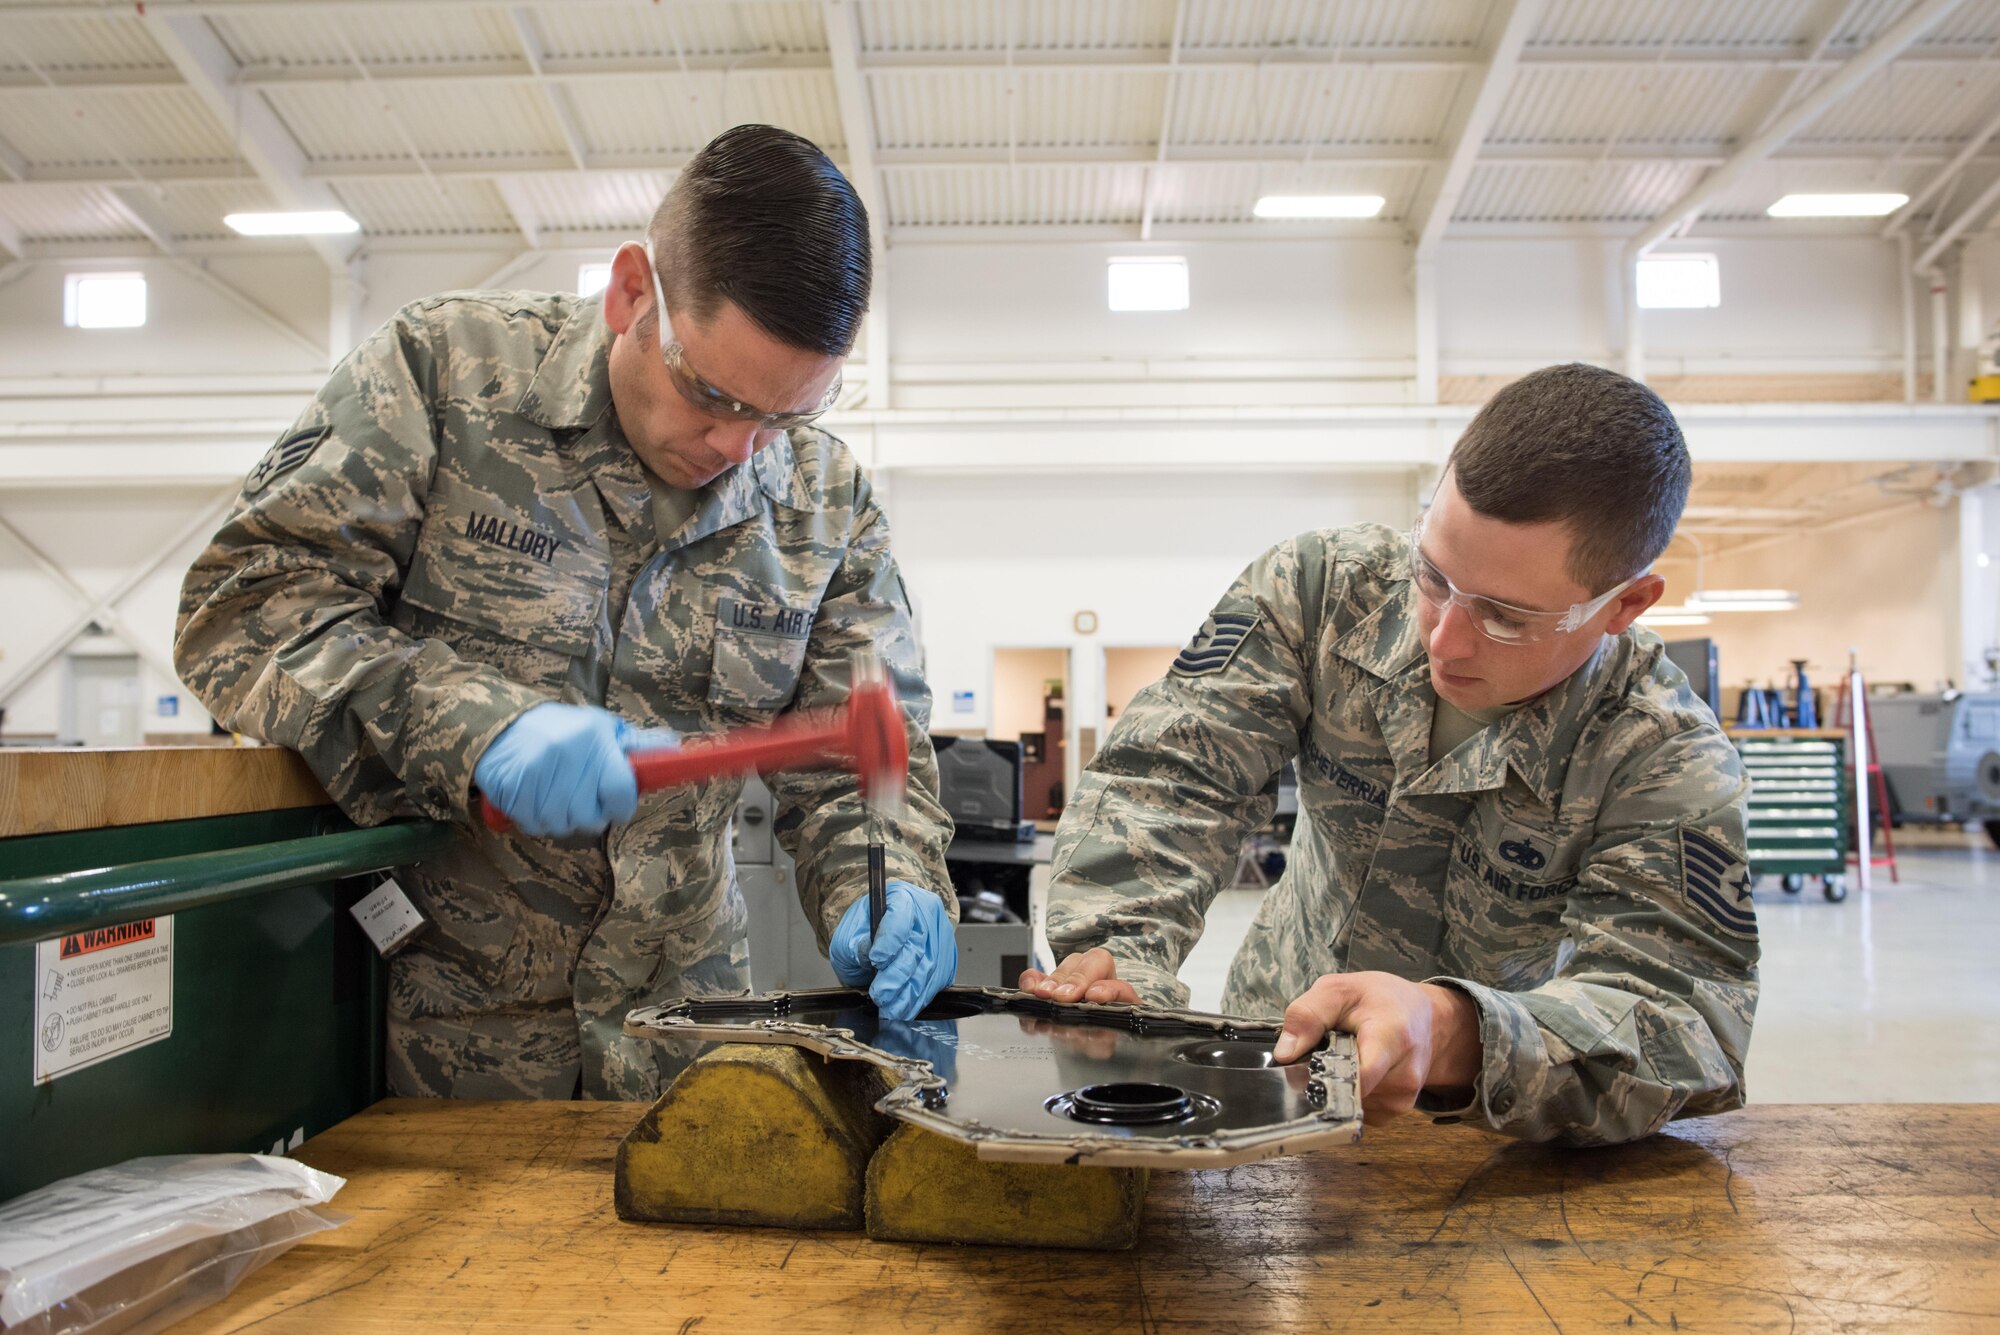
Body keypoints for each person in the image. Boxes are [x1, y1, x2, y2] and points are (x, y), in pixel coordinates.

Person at [175, 125, 957, 1101]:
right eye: (709, 392)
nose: (739, 447)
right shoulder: (442, 379)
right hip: (431, 1047)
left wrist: (889, 888)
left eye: (785, 416)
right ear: (632, 291)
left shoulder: (825, 504)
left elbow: (865, 774)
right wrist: (478, 731)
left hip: (687, 1050)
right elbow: (241, 608)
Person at [1022, 363, 1757, 1146]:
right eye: (1434, 576)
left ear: (1624, 604)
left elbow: (1687, 1017)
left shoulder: (1660, 756)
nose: (1443, 637)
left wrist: (1450, 1031)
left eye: (1506, 616)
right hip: (1266, 1064)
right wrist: (1120, 953)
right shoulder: (1323, 592)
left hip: (1487, 1132)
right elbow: (1171, 780)